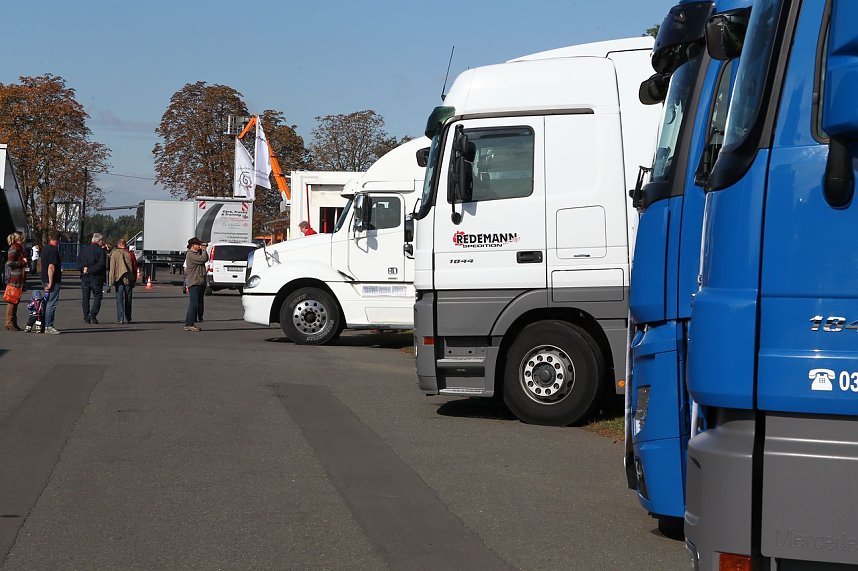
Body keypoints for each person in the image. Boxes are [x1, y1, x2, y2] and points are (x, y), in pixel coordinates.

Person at [77, 232, 107, 324]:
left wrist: (83, 269)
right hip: (96, 277)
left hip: (85, 277)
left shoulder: (84, 250)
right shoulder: (101, 251)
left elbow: (78, 262)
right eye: (102, 240)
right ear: (99, 241)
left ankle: (86, 316)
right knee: (98, 296)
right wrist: (91, 270)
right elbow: (101, 264)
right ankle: (93, 313)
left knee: (85, 297)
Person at [40, 230, 63, 335]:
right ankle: (49, 326)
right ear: (59, 239)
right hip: (52, 280)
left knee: (46, 302)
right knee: (52, 303)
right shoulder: (53, 250)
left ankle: (44, 324)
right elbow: (51, 267)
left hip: (44, 278)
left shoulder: (45, 249)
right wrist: (50, 282)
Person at [109, 239, 136, 324]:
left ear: (118, 245)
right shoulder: (131, 254)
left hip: (119, 279)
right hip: (129, 279)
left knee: (119, 299)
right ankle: (128, 318)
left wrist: (110, 282)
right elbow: (135, 267)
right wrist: (134, 279)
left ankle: (120, 318)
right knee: (128, 298)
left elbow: (112, 268)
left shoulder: (115, 254)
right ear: (125, 244)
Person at [183, 237, 208, 332]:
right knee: (193, 303)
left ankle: (192, 321)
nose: (200, 246)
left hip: (200, 281)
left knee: (197, 303)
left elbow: (205, 258)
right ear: (193, 245)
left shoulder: (198, 253)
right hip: (194, 281)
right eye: (198, 245)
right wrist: (204, 250)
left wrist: (203, 250)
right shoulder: (190, 254)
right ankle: (189, 323)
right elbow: (203, 259)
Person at [4, 232, 27, 331]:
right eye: (23, 238)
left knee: (15, 300)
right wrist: (23, 262)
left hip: (19, 277)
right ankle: (9, 323)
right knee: (12, 300)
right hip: (15, 278)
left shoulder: (19, 247)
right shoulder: (14, 248)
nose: (25, 239)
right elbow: (10, 262)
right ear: (20, 238)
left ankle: (13, 322)